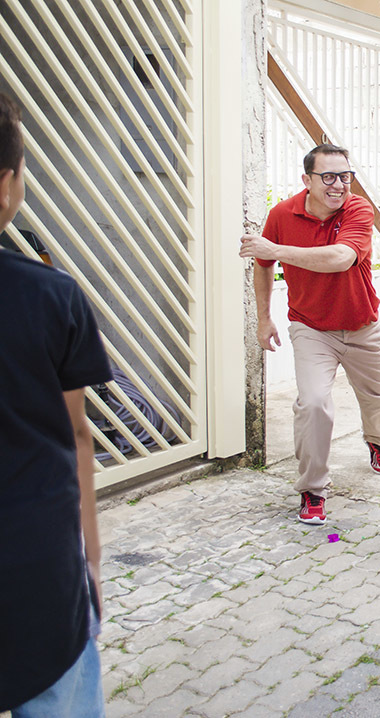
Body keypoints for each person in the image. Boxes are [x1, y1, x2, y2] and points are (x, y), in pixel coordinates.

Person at [0, 93, 111, 716]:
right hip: (36, 564)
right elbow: (77, 437)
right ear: (7, 186)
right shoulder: (51, 297)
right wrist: (89, 565)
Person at [239, 143, 380, 526]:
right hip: (310, 327)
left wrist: (275, 248)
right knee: (312, 403)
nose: (339, 185)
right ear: (306, 180)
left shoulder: (358, 209)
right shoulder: (281, 215)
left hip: (362, 325)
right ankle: (312, 489)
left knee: (377, 401)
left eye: (345, 176)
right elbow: (262, 265)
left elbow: (341, 259)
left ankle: (377, 442)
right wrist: (263, 318)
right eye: (328, 177)